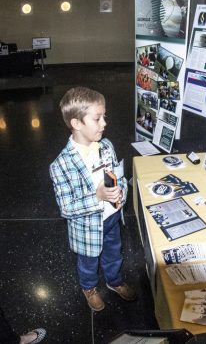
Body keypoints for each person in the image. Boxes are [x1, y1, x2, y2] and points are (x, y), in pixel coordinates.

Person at [49, 87, 136, 312]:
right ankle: (89, 288)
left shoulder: (106, 146)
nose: (104, 123)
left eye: (104, 117)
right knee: (88, 262)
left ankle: (114, 280)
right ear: (76, 123)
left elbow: (119, 177)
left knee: (114, 253)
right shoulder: (61, 165)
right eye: (97, 118)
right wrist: (97, 196)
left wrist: (120, 192)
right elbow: (66, 208)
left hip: (112, 218)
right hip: (87, 227)